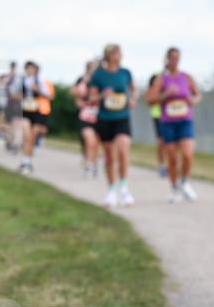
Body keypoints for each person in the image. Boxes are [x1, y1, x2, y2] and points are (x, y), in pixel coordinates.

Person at [146, 47, 201, 203]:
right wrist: (165, 94)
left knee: (188, 154)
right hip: (168, 123)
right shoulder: (161, 79)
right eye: (172, 57)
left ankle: (184, 181)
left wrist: (193, 100)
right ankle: (174, 187)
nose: (175, 60)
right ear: (167, 59)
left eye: (178, 57)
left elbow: (197, 95)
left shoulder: (186, 77)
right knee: (172, 157)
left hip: (185, 121)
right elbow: (150, 100)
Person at [89, 44, 137, 207]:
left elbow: (133, 90)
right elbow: (91, 98)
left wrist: (132, 99)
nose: (119, 55)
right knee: (109, 156)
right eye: (116, 53)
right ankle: (111, 190)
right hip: (105, 118)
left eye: (120, 53)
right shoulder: (98, 75)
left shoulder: (125, 73)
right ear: (108, 55)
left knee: (123, 149)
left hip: (122, 117)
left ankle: (124, 189)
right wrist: (103, 94)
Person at [18, 61, 55, 175]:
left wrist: (37, 90)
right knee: (26, 135)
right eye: (28, 68)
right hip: (25, 110)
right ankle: (25, 161)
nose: (30, 70)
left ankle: (28, 160)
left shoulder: (41, 81)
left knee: (32, 137)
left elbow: (50, 96)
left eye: (32, 68)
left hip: (37, 111)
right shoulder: (22, 80)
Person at [71, 60, 102, 178]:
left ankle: (93, 163)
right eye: (90, 67)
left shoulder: (101, 80)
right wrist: (78, 100)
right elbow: (73, 92)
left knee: (96, 143)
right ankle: (89, 164)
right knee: (89, 140)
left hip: (99, 116)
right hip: (85, 116)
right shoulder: (82, 80)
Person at [147, 73, 167, 177]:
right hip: (157, 116)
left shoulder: (166, 85)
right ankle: (161, 165)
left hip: (169, 116)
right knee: (161, 142)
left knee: (170, 143)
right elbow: (149, 101)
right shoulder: (153, 89)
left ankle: (171, 165)